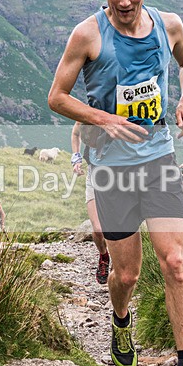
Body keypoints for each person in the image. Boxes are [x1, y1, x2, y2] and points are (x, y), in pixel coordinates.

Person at [48, 0, 183, 366]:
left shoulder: (169, 25)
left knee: (176, 263)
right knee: (127, 275)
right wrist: (104, 120)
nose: (125, 1)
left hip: (159, 160)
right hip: (111, 172)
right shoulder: (87, 35)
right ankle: (120, 322)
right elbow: (57, 97)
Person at [71, 121, 110, 284]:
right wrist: (76, 158)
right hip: (93, 174)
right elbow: (75, 133)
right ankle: (104, 256)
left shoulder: (118, 108)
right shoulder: (87, 110)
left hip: (119, 177)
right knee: (99, 229)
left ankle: (120, 263)